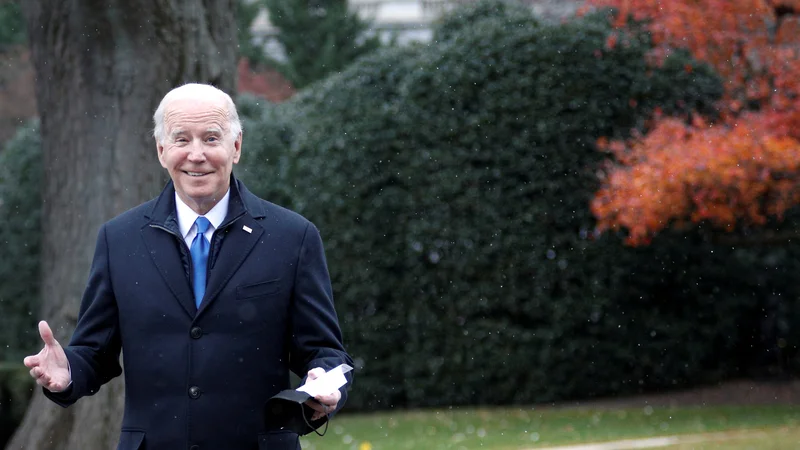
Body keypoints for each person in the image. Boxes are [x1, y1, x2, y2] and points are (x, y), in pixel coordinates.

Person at [23, 83, 353, 450]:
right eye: (182, 140)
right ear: (162, 151)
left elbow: (326, 351)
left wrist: (326, 381)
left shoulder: (292, 236)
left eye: (211, 138)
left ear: (236, 147)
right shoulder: (119, 240)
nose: (196, 155)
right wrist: (68, 372)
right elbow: (95, 354)